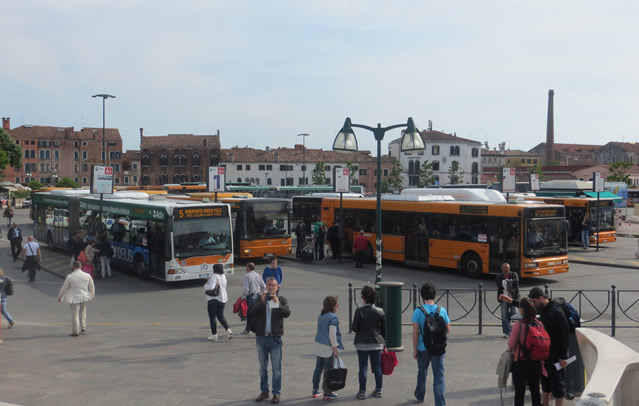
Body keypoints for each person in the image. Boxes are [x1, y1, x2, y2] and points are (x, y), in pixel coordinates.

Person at [500, 287, 571, 406]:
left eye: (534, 301)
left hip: (556, 354)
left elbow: (566, 333)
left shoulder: (556, 311)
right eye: (531, 301)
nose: (533, 304)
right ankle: (546, 404)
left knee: (558, 383)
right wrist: (511, 301)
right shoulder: (542, 308)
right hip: (545, 353)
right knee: (546, 382)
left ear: (541, 298)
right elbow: (527, 308)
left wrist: (563, 356)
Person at [249, 277, 291, 404]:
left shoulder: (281, 299)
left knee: (276, 369)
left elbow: (287, 313)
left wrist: (277, 303)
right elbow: (251, 312)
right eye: (269, 285)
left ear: (277, 287)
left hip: (275, 338)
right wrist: (261, 302)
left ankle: (276, 393)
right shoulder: (260, 298)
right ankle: (264, 391)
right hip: (261, 337)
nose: (271, 287)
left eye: (273, 285)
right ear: (265, 286)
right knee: (263, 368)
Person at [412, 282, 451, 405]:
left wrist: (415, 350)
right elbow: (448, 329)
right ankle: (440, 403)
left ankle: (420, 395)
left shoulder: (418, 311)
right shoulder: (442, 310)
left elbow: (415, 332)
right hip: (439, 348)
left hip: (423, 348)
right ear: (434, 295)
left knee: (422, 372)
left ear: (422, 296)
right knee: (439, 376)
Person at [352, 285, 386, 400]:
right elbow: (384, 329)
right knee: (377, 367)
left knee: (363, 367)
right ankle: (379, 390)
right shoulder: (380, 311)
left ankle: (362, 392)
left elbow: (355, 328)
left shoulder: (359, 311)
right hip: (377, 343)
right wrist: (384, 343)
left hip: (362, 343)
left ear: (364, 298)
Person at [508, 298, 542, 406]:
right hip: (536, 361)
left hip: (520, 362)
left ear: (522, 310)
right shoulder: (539, 324)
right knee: (535, 390)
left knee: (519, 392)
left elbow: (511, 344)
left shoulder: (518, 325)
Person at [311, 296, 344, 400]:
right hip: (327, 347)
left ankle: (315, 390)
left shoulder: (321, 316)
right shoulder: (333, 317)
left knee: (318, 369)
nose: (338, 307)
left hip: (318, 345)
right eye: (337, 305)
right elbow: (332, 335)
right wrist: (335, 348)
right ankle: (327, 392)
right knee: (327, 370)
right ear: (333, 306)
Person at [57, 261, 95, 336]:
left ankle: (75, 331)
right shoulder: (87, 275)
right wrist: (91, 296)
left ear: (73, 267)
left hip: (73, 298)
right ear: (81, 267)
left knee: (75, 314)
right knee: (83, 311)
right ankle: (83, 326)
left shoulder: (70, 276)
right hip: (84, 296)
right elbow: (91, 287)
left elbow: (64, 288)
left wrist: (60, 296)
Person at [204, 264, 232, 341]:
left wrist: (205, 286)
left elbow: (212, 287)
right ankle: (228, 329)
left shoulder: (214, 276)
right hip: (222, 298)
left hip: (213, 299)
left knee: (212, 317)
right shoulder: (223, 276)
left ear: (214, 270)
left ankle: (214, 334)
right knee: (220, 315)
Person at [496, 262, 519, 338]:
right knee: (504, 315)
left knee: (513, 314)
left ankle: (512, 329)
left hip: (513, 298)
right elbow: (500, 286)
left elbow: (516, 283)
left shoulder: (514, 274)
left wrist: (505, 283)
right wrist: (510, 283)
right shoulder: (499, 276)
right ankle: (507, 332)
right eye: (505, 268)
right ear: (501, 268)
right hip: (503, 298)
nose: (506, 269)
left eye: (508, 267)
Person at [241, 262, 266, 334]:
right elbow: (263, 287)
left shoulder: (247, 276)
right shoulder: (258, 275)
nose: (246, 268)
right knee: (256, 313)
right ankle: (249, 328)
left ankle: (251, 329)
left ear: (248, 268)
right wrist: (263, 294)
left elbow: (246, 289)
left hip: (250, 296)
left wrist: (243, 297)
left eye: (246, 267)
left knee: (250, 313)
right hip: (258, 296)